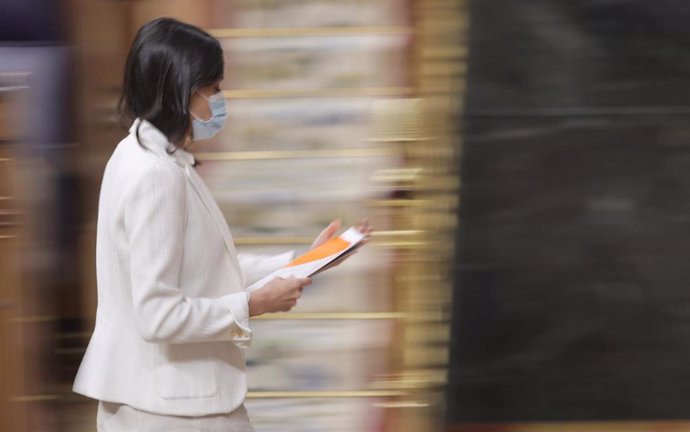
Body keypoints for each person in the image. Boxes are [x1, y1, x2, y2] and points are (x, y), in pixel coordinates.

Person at [72, 17, 373, 432]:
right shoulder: (155, 176)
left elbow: (203, 269)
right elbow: (158, 315)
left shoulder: (143, 156)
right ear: (180, 91)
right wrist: (255, 304)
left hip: (168, 400)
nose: (219, 101)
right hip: (170, 409)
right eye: (212, 89)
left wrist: (304, 261)